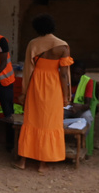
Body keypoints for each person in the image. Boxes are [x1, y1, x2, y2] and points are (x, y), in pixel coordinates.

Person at [15, 14, 72, 173]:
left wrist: (24, 92)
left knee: (31, 121)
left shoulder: (33, 44)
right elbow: (64, 74)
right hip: (53, 87)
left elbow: (28, 70)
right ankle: (42, 164)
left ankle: (23, 161)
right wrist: (66, 95)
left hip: (35, 85)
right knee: (49, 123)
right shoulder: (62, 46)